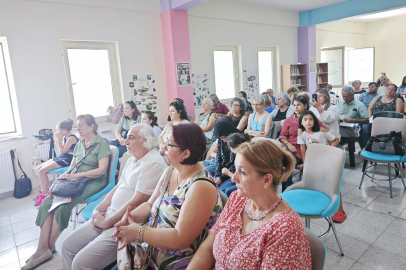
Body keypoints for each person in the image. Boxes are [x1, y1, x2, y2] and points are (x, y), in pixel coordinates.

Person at [112, 123, 224, 270]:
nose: (164, 147)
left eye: (169, 144)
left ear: (186, 153)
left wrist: (139, 232)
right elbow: (150, 204)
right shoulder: (171, 171)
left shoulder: (201, 186)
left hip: (177, 264)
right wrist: (129, 218)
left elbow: (180, 239)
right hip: (148, 255)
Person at [187, 140, 312, 270]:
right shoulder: (238, 199)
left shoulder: (285, 229)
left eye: (242, 172)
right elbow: (207, 249)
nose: (233, 178)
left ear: (266, 179)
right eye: (235, 169)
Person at [61, 124, 167, 270]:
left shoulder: (153, 162)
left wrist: (107, 223)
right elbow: (119, 185)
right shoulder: (132, 159)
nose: (125, 141)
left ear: (145, 141)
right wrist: (98, 209)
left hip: (121, 225)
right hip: (108, 215)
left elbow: (138, 202)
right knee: (67, 246)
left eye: (131, 137)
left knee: (80, 263)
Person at [23, 115, 111, 270]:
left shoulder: (102, 143)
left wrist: (75, 175)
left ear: (92, 126)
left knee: (63, 206)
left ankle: (48, 248)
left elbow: (101, 170)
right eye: (78, 126)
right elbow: (73, 165)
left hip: (93, 181)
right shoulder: (80, 143)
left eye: (82, 126)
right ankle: (42, 248)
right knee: (47, 202)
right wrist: (62, 178)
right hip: (74, 179)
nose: (79, 129)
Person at [297, 110, 345, 223]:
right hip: (313, 161)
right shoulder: (302, 134)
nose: (308, 122)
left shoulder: (322, 131)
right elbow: (303, 149)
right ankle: (317, 203)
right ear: (301, 123)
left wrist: (328, 151)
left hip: (326, 160)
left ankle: (340, 210)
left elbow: (335, 140)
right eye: (305, 120)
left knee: (333, 184)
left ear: (314, 120)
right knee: (315, 182)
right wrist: (305, 163)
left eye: (310, 119)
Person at [279, 96, 326, 191]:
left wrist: (312, 132)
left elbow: (324, 130)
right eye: (294, 105)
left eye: (299, 105)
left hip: (304, 150)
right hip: (290, 147)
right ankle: (286, 188)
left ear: (305, 106)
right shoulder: (289, 120)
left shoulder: (311, 119)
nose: (296, 107)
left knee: (286, 163)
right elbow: (282, 136)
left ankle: (288, 188)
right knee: (278, 161)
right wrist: (289, 144)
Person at [34, 119, 78, 207]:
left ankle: (45, 195)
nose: (57, 132)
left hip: (69, 159)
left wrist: (57, 139)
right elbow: (60, 149)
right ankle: (43, 190)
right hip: (64, 156)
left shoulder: (72, 138)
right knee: (39, 168)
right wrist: (58, 140)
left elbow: (62, 151)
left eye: (58, 130)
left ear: (64, 131)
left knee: (42, 171)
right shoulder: (65, 137)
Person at [217, 132, 251, 197]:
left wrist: (227, 172)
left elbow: (241, 178)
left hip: (243, 182)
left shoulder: (243, 159)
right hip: (236, 178)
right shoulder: (239, 155)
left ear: (234, 148)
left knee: (226, 191)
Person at [211, 121, 240, 195]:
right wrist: (218, 176)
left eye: (225, 137)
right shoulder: (221, 140)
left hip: (233, 172)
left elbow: (237, 165)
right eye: (221, 138)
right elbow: (219, 158)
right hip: (224, 170)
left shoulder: (238, 139)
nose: (224, 140)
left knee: (220, 191)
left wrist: (222, 178)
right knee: (212, 184)